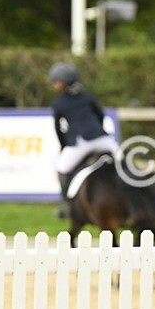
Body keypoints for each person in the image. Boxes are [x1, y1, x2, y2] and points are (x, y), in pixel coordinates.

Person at [49, 62, 119, 217]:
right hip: (102, 139)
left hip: (81, 143)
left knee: (62, 168)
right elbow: (100, 115)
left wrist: (64, 146)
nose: (54, 84)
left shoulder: (59, 103)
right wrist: (98, 132)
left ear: (62, 83)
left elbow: (58, 128)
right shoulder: (87, 96)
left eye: (55, 82)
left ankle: (67, 205)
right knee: (124, 163)